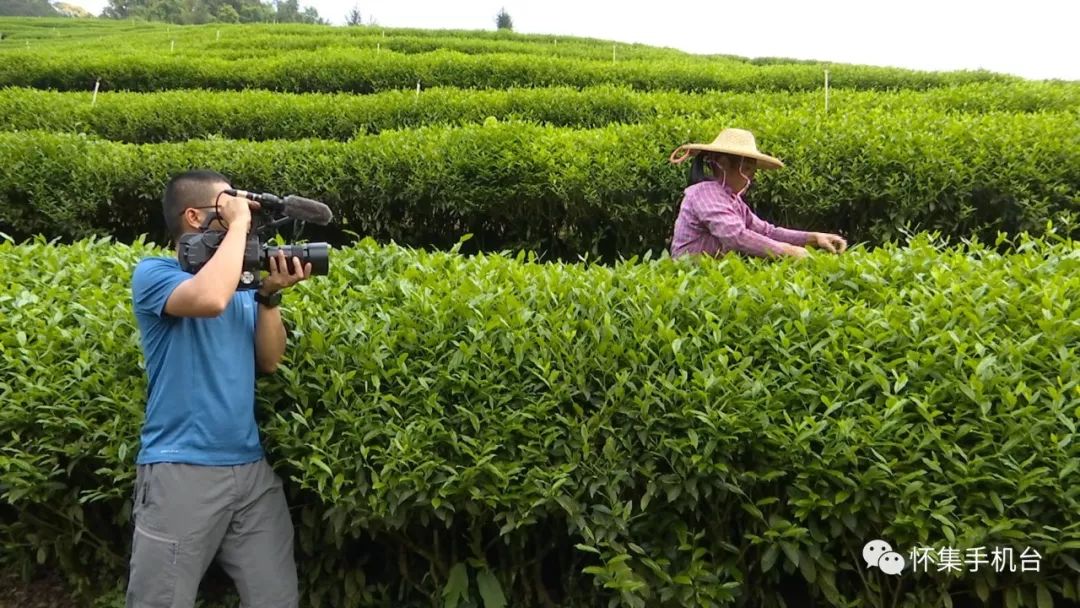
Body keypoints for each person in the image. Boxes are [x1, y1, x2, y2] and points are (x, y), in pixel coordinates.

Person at [127, 169, 312, 608]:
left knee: (276, 598)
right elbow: (208, 300)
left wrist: (268, 295)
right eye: (225, 211)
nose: (236, 220)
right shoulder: (155, 274)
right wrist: (242, 226)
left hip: (250, 472)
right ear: (193, 217)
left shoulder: (239, 288)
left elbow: (269, 361)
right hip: (179, 471)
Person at [668, 128, 847, 259]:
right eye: (745, 169)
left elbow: (767, 231)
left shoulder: (732, 200)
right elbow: (735, 236)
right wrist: (787, 251)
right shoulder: (706, 194)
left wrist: (814, 238)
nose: (750, 178)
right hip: (690, 276)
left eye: (752, 172)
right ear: (722, 163)